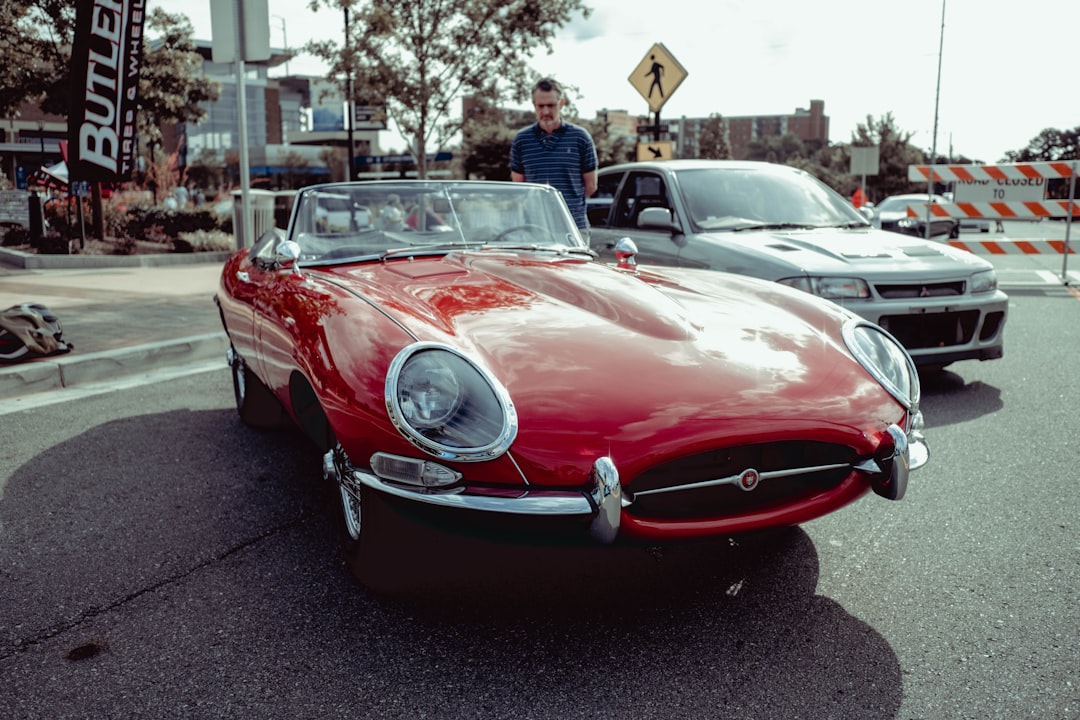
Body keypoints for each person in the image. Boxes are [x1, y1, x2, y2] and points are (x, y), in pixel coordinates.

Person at [510, 78, 598, 231]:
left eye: (551, 105)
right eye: (540, 106)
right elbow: (519, 187)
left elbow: (591, 186)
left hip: (574, 228)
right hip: (534, 229)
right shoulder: (522, 140)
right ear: (534, 105)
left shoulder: (580, 137)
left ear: (562, 103)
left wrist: (565, 207)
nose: (545, 111)